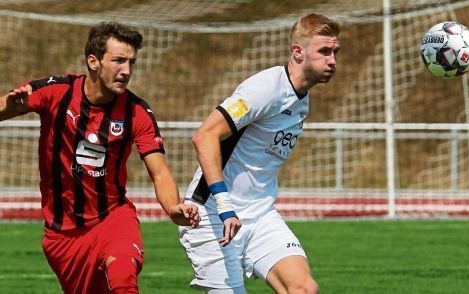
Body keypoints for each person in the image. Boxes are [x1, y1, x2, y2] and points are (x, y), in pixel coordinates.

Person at [0, 21, 200, 293]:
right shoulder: (58, 92)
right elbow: (7, 104)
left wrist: (173, 206)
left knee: (123, 279)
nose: (126, 71)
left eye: (131, 62)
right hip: (63, 237)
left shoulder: (137, 111)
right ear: (93, 61)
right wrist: (8, 109)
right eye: (118, 61)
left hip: (113, 219)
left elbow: (159, 171)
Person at [178, 13, 340, 293]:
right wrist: (225, 205)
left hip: (261, 215)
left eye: (335, 52)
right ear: (298, 51)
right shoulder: (266, 88)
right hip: (213, 214)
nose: (333, 60)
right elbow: (204, 136)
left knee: (303, 288)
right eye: (324, 51)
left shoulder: (302, 98)